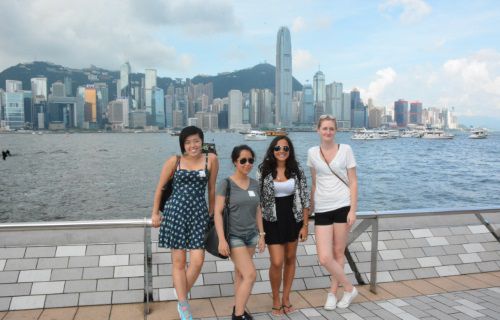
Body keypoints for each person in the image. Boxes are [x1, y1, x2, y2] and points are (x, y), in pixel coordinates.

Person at [151, 126, 219, 320]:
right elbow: (160, 188)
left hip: (199, 214)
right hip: (176, 213)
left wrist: (212, 213)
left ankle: (180, 291)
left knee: (198, 260)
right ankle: (183, 304)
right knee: (179, 262)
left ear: (202, 141)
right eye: (188, 142)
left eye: (196, 141)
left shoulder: (211, 159)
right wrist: (155, 213)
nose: (193, 145)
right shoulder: (175, 161)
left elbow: (212, 190)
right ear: (183, 144)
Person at [307, 115, 359, 310]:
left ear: (335, 131)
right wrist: (311, 206)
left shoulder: (346, 150)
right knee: (324, 257)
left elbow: (353, 181)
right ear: (318, 130)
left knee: (338, 252)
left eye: (331, 129)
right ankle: (349, 288)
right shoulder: (312, 153)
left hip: (342, 205)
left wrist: (353, 210)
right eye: (324, 128)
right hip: (322, 207)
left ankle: (333, 292)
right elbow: (315, 182)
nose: (328, 132)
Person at [256, 136, 310, 316]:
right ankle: (275, 298)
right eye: (278, 148)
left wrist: (305, 225)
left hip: (292, 218)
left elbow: (304, 199)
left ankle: (286, 297)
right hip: (271, 220)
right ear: (272, 150)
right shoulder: (263, 170)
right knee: (277, 261)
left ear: (290, 151)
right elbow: (259, 201)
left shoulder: (297, 170)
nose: (281, 151)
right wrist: (261, 231)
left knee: (290, 258)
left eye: (285, 148)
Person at [214, 145, 265, 320]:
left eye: (250, 160)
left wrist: (262, 235)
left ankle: (239, 307)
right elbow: (218, 213)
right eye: (243, 160)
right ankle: (238, 315)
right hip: (234, 237)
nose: (247, 164)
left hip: (251, 235)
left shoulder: (255, 184)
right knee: (250, 274)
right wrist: (221, 239)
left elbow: (258, 210)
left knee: (241, 274)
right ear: (235, 162)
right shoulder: (226, 184)